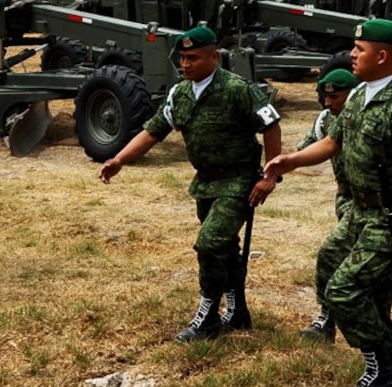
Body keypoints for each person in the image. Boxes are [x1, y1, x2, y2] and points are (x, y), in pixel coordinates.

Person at [263, 18, 392, 387]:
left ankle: (381, 375)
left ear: (381, 55)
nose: (352, 55)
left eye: (359, 50)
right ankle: (383, 382)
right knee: (335, 268)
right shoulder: (359, 97)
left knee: (344, 290)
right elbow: (331, 142)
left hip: (387, 218)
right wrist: (289, 160)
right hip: (358, 213)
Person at [99, 26, 282, 342]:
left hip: (238, 181)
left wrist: (270, 176)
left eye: (193, 58)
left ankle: (208, 315)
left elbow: (271, 124)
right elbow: (153, 131)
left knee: (210, 242)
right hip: (205, 182)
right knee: (224, 248)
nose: (185, 64)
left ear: (214, 57)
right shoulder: (179, 93)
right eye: (182, 58)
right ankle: (238, 312)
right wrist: (119, 159)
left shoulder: (238, 89)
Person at [297, 67, 360, 342]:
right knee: (343, 257)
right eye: (326, 97)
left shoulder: (364, 115)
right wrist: (281, 163)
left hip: (373, 202)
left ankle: (341, 319)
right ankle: (328, 318)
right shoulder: (325, 119)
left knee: (336, 255)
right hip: (345, 199)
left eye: (335, 98)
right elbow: (308, 146)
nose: (328, 103)